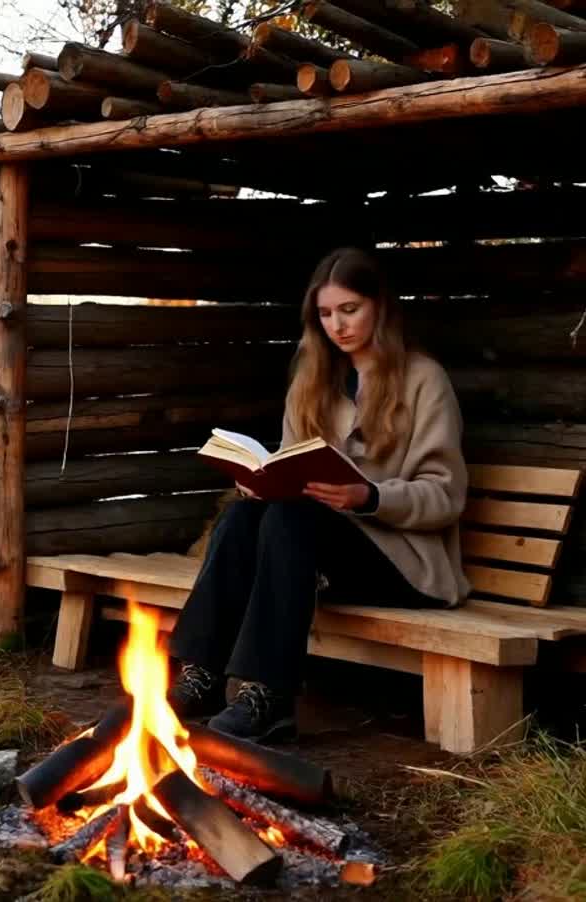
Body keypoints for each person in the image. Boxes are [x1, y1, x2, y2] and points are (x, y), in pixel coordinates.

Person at [165, 247, 470, 743]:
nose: (338, 325)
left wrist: (367, 496)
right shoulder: (311, 381)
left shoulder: (423, 381)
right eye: (326, 314)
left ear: (381, 307)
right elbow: (290, 463)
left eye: (350, 310)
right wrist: (262, 482)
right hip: (316, 552)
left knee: (291, 522)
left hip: (403, 562)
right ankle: (202, 675)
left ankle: (269, 696)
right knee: (243, 518)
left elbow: (446, 496)